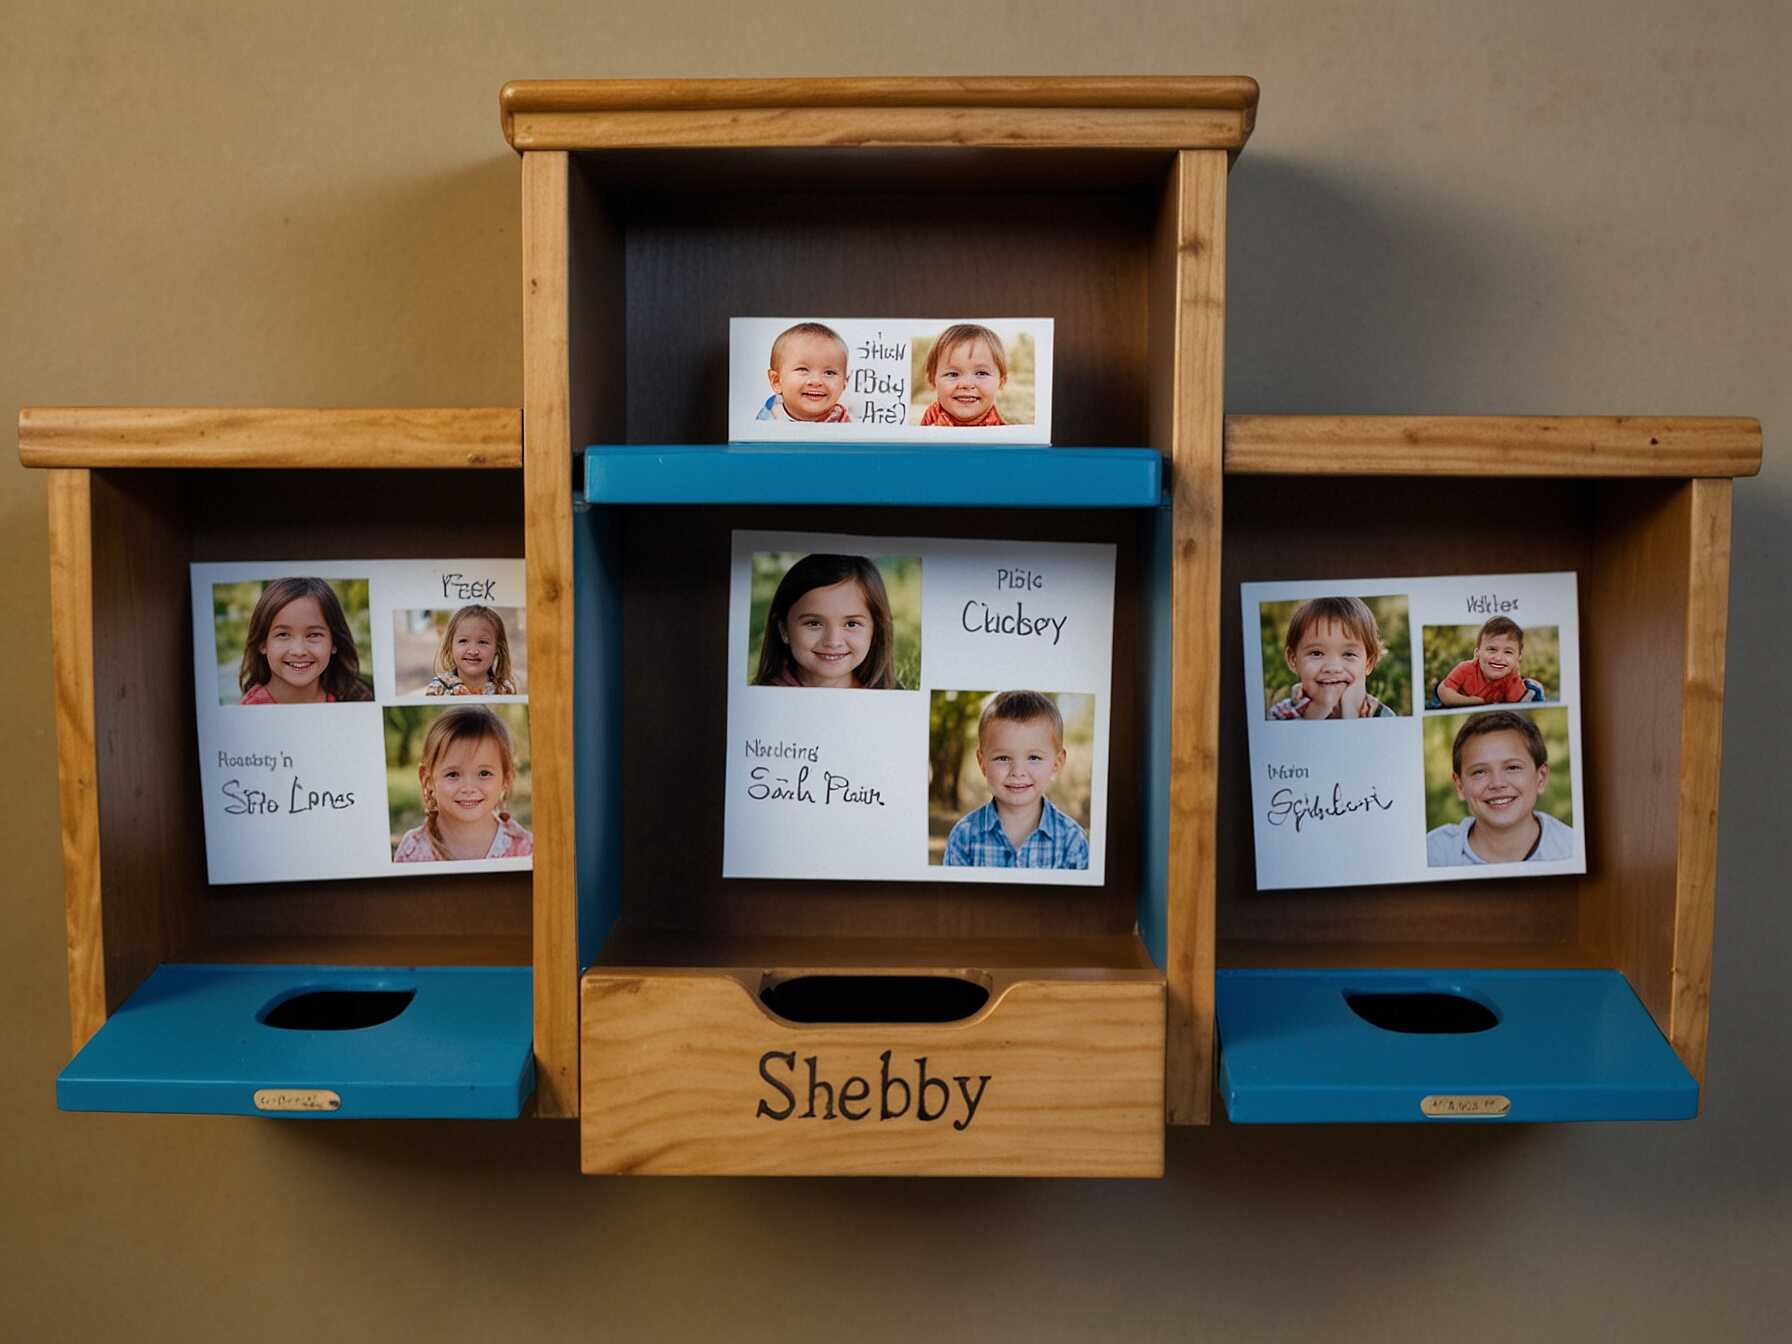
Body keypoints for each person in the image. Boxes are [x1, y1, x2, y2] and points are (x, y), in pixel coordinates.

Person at [943, 690, 1089, 869]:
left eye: (1034, 757)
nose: (1018, 772)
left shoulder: (1072, 841)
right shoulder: (963, 836)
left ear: (1057, 763)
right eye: (1003, 758)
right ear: (982, 763)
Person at [1425, 710, 1575, 866]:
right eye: (1479, 772)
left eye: (1512, 767)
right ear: (1460, 786)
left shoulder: (1571, 849)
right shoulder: (1433, 853)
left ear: (1541, 777)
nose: (1497, 783)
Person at [392, 706, 532, 862]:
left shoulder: (525, 850)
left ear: (506, 779)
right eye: (453, 774)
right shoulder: (412, 852)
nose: (468, 788)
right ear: (428, 779)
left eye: (484, 773)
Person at [752, 554, 901, 689]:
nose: (833, 642)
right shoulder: (760, 699)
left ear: (875, 631)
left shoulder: (897, 699)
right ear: (783, 629)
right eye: (814, 623)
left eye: (851, 624)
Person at [237, 577, 373, 705]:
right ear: (262, 643)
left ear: (334, 642)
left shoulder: (356, 698)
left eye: (314, 635)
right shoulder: (248, 715)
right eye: (283, 634)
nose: (299, 651)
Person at [1267, 595, 1396, 719]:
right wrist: (1313, 714)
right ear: (1293, 660)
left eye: (1348, 654)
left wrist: (1351, 716)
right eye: (1316, 653)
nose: (1333, 668)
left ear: (1368, 663)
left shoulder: (1382, 717)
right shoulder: (1281, 715)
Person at [756, 322, 852, 422]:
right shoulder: (768, 418)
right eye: (803, 369)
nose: (816, 381)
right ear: (777, 381)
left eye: (829, 373)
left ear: (844, 383)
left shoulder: (844, 421)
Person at [918, 324, 1008, 427]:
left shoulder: (1002, 432)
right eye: (953, 374)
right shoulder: (931, 418)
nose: (966, 384)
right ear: (932, 380)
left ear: (1001, 382)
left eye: (981, 373)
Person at [423, 604, 518, 696]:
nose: (473, 651)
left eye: (482, 642)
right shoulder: (438, 689)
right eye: (463, 641)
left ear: (497, 648)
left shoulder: (504, 689)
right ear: (450, 645)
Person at [1437, 616, 1533, 705]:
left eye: (1508, 652)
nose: (1499, 658)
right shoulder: (1466, 668)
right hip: (1457, 700)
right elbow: (1444, 692)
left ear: (1518, 657)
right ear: (1478, 652)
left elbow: (1518, 704)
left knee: (1533, 689)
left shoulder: (1510, 676)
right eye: (1492, 649)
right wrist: (1470, 701)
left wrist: (1515, 677)